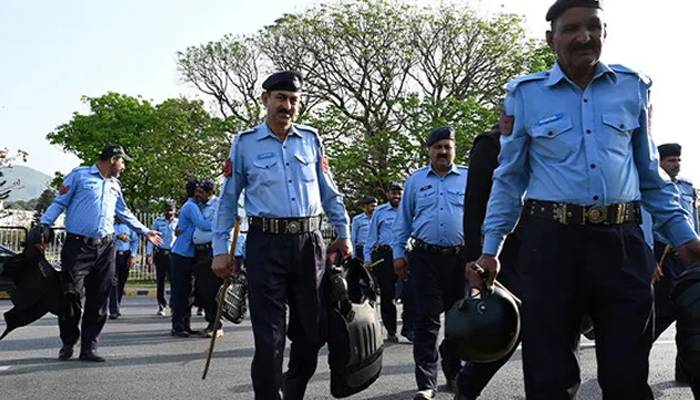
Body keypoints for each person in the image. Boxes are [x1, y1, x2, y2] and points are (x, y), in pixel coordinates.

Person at [469, 1, 700, 398]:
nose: (584, 37)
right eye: (572, 29)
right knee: (549, 377)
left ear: (605, 32)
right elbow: (508, 181)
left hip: (622, 245)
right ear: (551, 39)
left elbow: (649, 175)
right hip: (551, 246)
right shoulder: (525, 95)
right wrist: (490, 251)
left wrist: (685, 238)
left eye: (594, 27)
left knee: (627, 375)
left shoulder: (632, 87)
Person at [211, 70, 351, 400]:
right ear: (265, 100)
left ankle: (293, 388)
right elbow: (228, 200)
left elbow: (330, 192)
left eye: (293, 100)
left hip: (309, 245)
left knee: (312, 333)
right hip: (265, 244)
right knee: (269, 336)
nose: (286, 106)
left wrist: (343, 232)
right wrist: (221, 249)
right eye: (280, 99)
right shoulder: (244, 144)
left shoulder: (312, 139)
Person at [39, 144, 162, 362]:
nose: (123, 166)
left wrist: (145, 231)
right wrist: (44, 224)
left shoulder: (115, 184)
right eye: (122, 161)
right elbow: (60, 202)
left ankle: (89, 347)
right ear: (113, 159)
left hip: (106, 248)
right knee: (70, 295)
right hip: (78, 247)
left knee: (99, 299)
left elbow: (124, 212)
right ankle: (68, 341)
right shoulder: (79, 176)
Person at [392, 126, 468, 400]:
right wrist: (398, 255)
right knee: (426, 321)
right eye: (438, 147)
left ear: (454, 149)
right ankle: (426, 384)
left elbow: (480, 219)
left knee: (459, 322)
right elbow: (403, 221)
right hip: (423, 258)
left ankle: (456, 375)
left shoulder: (468, 178)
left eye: (448, 147)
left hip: (460, 260)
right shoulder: (415, 181)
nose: (443, 152)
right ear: (429, 151)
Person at [454, 123, 524, 400]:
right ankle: (468, 385)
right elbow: (474, 206)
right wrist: (476, 259)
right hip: (504, 253)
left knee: (550, 335)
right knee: (505, 328)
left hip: (548, 248)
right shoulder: (491, 144)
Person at [651, 143, 699, 383]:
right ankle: (631, 360)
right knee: (659, 312)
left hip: (687, 256)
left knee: (690, 314)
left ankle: (685, 370)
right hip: (662, 255)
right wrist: (649, 258)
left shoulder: (688, 188)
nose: (676, 164)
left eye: (678, 160)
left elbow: (694, 221)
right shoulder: (652, 187)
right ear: (658, 163)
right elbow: (646, 223)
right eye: (670, 160)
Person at [364, 183, 409, 343]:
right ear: (388, 194)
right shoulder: (380, 212)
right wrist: (368, 258)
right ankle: (391, 330)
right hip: (385, 256)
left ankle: (409, 328)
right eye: (393, 193)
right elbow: (371, 237)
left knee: (411, 293)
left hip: (407, 255)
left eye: (399, 193)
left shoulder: (410, 209)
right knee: (387, 295)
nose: (396, 196)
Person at [170, 179, 212, 337]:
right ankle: (177, 326)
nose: (201, 192)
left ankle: (185, 325)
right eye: (199, 190)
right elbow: (202, 224)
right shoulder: (191, 206)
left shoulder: (195, 206)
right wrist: (222, 223)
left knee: (188, 292)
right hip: (182, 254)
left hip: (188, 254)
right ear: (194, 192)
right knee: (181, 291)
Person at [192, 179, 223, 337]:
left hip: (212, 250)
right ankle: (210, 321)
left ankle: (216, 324)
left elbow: (216, 226)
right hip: (199, 252)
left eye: (201, 192)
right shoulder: (198, 206)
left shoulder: (218, 205)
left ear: (210, 192)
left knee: (212, 290)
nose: (197, 194)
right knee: (203, 290)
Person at [146, 201, 178, 316]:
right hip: (160, 254)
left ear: (175, 211)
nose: (169, 212)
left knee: (174, 281)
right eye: (167, 210)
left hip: (173, 254)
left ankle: (174, 305)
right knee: (160, 281)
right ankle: (161, 305)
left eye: (171, 210)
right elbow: (151, 238)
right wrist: (149, 254)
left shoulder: (178, 223)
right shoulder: (158, 222)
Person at [108, 216, 139, 319]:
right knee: (114, 282)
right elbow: (105, 237)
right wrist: (117, 236)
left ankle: (117, 305)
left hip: (125, 255)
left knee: (121, 282)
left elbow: (135, 241)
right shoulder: (110, 225)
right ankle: (114, 310)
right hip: (113, 255)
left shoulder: (129, 226)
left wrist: (133, 256)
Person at [351, 196, 378, 261]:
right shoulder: (357, 219)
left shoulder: (378, 219)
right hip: (361, 251)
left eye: (376, 206)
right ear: (366, 206)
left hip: (374, 250)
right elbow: (353, 238)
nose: (374, 208)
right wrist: (353, 254)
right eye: (372, 206)